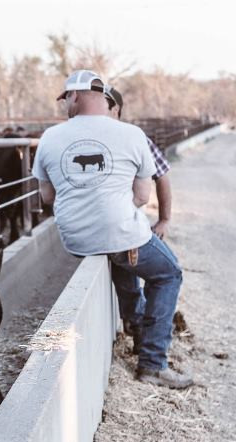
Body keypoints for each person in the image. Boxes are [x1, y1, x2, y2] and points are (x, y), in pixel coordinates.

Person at [32, 69, 192, 388]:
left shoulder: (50, 137)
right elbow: (142, 196)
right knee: (169, 273)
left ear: (75, 97)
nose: (65, 105)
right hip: (118, 232)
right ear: (105, 100)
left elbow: (48, 196)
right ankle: (153, 363)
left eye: (66, 99)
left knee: (124, 255)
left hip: (75, 239)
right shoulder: (131, 135)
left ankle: (135, 323)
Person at [105, 86, 172, 352]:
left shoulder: (133, 137)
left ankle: (148, 344)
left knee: (162, 274)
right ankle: (140, 334)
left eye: (103, 105)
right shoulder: (88, 137)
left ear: (115, 111)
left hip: (129, 225)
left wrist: (165, 219)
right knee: (129, 282)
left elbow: (162, 174)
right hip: (109, 227)